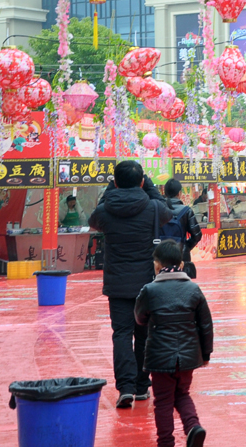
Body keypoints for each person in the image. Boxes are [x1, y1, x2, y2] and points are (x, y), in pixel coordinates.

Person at [89, 160, 174, 408]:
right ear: (141, 181)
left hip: (117, 283)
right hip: (147, 283)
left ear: (115, 182)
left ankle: (125, 388)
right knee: (145, 333)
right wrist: (148, 186)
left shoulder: (105, 211)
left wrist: (110, 189)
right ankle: (140, 385)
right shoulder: (152, 208)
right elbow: (165, 208)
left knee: (122, 334)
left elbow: (94, 218)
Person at [135, 240, 213, 447]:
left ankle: (166, 442)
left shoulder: (149, 291)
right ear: (180, 265)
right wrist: (205, 355)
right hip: (188, 356)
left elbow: (140, 318)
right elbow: (206, 325)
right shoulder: (193, 289)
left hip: (160, 356)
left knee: (162, 401)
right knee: (182, 393)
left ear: (158, 265)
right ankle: (193, 427)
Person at [164, 180, 203, 268]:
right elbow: (197, 235)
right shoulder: (186, 211)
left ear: (164, 193)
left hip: (161, 255)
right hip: (181, 256)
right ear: (179, 193)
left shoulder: (158, 208)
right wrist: (186, 246)